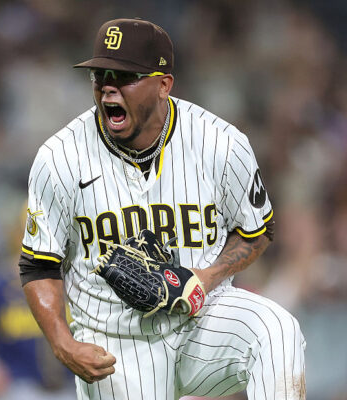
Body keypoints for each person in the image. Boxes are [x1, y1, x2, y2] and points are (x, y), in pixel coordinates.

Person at [19, 18, 306, 399]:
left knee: (277, 331)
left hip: (202, 320)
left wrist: (209, 275)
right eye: (100, 75)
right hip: (115, 340)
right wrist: (62, 341)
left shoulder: (220, 143)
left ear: (163, 84)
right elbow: (38, 264)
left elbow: (257, 231)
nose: (108, 86)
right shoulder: (60, 158)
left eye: (125, 76)